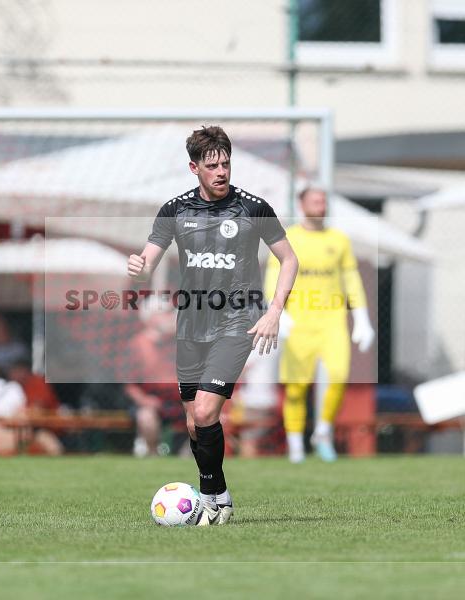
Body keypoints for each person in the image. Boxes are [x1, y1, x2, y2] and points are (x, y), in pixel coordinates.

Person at [127, 125, 298, 525]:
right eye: (212, 165)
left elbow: (289, 259)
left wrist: (274, 310)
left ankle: (206, 499)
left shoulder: (253, 208)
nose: (221, 171)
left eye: (226, 163)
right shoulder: (174, 210)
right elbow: (147, 262)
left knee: (206, 412)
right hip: (190, 326)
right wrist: (138, 269)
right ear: (194, 168)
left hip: (237, 323)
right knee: (194, 422)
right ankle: (220, 494)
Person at [265, 186, 374, 463]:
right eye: (315, 200)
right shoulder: (287, 237)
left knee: (338, 376)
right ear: (302, 204)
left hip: (333, 321)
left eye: (323, 200)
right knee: (297, 387)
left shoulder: (339, 240)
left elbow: (351, 279)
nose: (320, 205)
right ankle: (295, 445)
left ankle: (323, 431)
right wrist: (278, 312)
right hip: (299, 323)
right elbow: (272, 276)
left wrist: (361, 317)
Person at [123, 295, 182, 457]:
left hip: (180, 401)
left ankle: (189, 457)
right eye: (167, 312)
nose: (172, 316)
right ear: (151, 318)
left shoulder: (179, 342)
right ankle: (152, 453)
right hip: (152, 401)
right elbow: (129, 383)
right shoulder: (137, 345)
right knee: (146, 417)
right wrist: (144, 400)